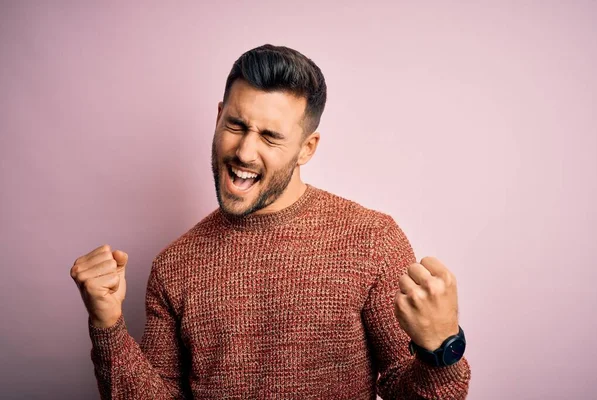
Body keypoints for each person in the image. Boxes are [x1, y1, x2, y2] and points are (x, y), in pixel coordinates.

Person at [70, 44, 471, 399]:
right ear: (217, 118)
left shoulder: (372, 240)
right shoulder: (174, 266)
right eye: (236, 125)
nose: (245, 151)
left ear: (306, 148)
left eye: (270, 137)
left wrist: (441, 347)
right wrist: (107, 326)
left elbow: (411, 390)